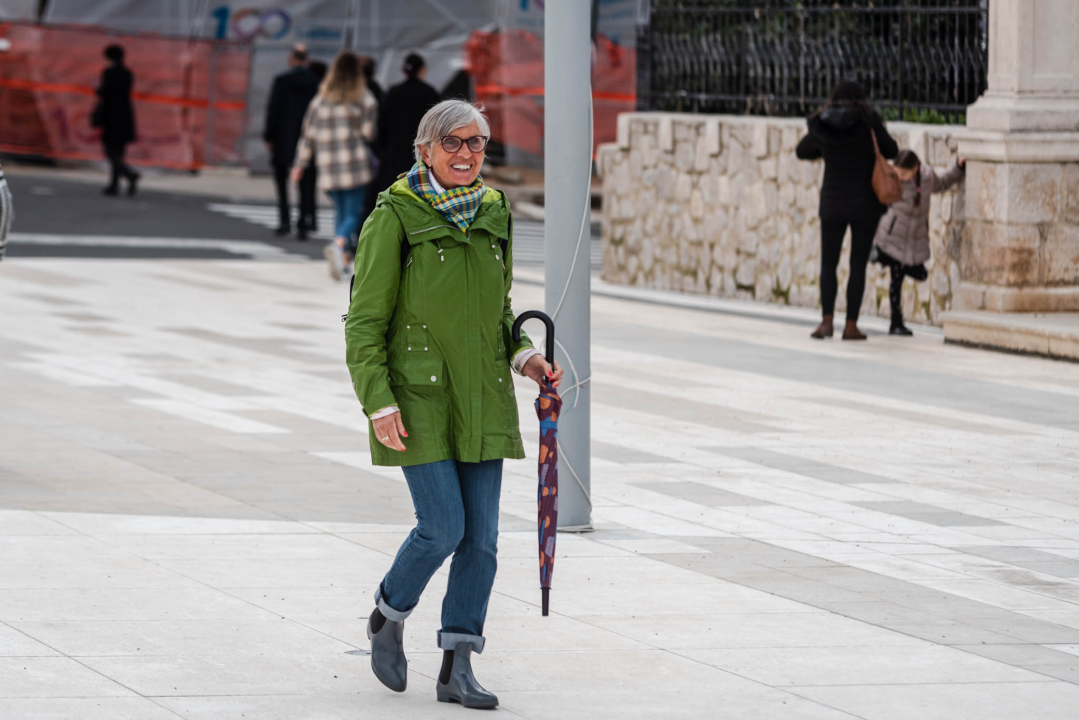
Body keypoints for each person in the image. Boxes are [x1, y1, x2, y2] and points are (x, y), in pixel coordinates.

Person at [345, 99, 563, 709]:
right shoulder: (394, 216)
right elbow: (364, 323)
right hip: (418, 398)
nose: (466, 154)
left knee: (483, 542)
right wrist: (378, 402)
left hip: (483, 396)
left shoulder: (494, 212)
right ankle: (389, 614)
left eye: (477, 143)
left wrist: (525, 358)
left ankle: (457, 665)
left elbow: (499, 312)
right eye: (453, 143)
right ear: (425, 149)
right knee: (441, 528)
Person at [796, 80, 898, 340]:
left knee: (828, 263)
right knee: (857, 265)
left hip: (832, 203)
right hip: (865, 205)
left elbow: (802, 150)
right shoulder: (869, 122)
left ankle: (827, 322)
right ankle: (851, 325)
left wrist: (826, 147)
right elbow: (892, 150)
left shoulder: (824, 123)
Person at [291, 50, 378, 280]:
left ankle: (342, 261)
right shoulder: (364, 99)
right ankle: (339, 245)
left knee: (340, 210)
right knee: (353, 213)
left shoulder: (319, 101)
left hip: (327, 165)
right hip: (354, 165)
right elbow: (369, 133)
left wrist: (300, 164)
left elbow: (307, 135)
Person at [872, 150, 966, 335]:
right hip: (894, 236)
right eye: (898, 173)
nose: (901, 177)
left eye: (904, 174)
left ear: (915, 168)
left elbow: (943, 182)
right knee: (896, 279)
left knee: (921, 273)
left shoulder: (927, 178)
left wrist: (958, 167)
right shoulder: (892, 178)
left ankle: (882, 257)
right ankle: (896, 322)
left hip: (915, 239)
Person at [365, 53, 440, 221]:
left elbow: (380, 126)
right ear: (422, 70)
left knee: (391, 202)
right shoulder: (429, 93)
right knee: (418, 202)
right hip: (421, 158)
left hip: (393, 157)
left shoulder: (392, 93)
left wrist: (381, 152)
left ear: (403, 71)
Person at [264, 44, 319, 239]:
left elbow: (273, 110)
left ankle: (284, 220)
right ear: (306, 59)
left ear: (292, 59)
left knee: (281, 181)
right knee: (306, 182)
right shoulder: (316, 82)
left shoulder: (281, 80)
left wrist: (269, 136)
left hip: (282, 137)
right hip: (307, 139)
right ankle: (304, 222)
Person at [95, 44, 139, 197]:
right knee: (119, 152)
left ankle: (128, 174)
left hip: (112, 116)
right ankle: (114, 184)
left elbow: (105, 93)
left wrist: (98, 89)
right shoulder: (128, 73)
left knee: (111, 152)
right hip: (125, 115)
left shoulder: (109, 72)